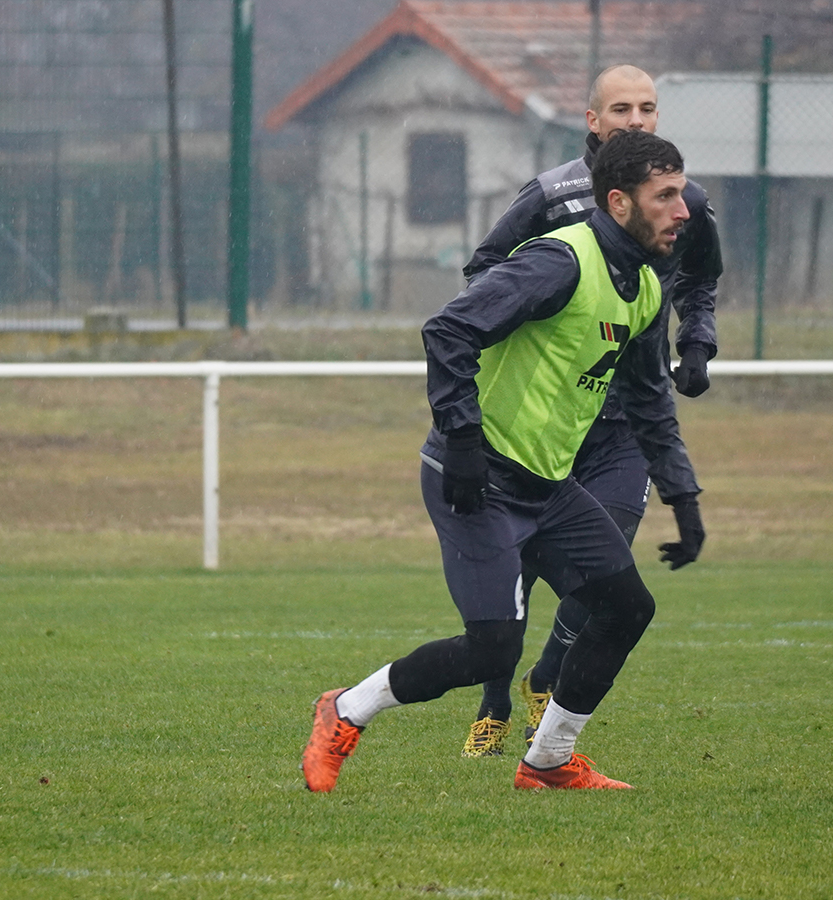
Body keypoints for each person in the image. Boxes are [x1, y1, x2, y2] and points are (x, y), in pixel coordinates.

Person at [302, 129, 706, 792]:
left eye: (681, 192)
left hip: (548, 488)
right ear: (620, 202)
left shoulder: (645, 289)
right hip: (478, 479)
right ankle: (344, 711)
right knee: (492, 648)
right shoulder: (560, 261)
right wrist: (460, 440)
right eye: (664, 195)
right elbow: (449, 330)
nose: (683, 208)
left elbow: (649, 402)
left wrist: (682, 497)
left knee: (627, 607)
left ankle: (548, 759)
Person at [459, 63, 723, 757]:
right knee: (514, 570)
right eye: (621, 109)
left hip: (624, 417)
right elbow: (483, 271)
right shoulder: (551, 197)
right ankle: (493, 698)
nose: (635, 120)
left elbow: (701, 281)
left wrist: (696, 342)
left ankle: (546, 680)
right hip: (545, 418)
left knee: (610, 556)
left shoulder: (684, 201)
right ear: (593, 120)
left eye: (647, 108)